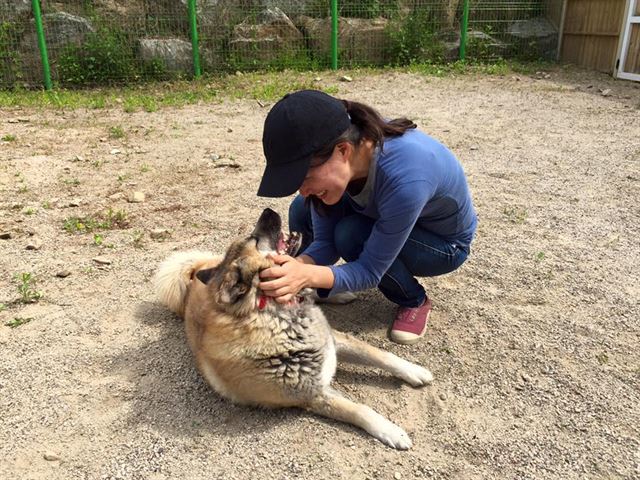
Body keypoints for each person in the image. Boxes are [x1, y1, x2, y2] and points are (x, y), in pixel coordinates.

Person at [257, 90, 477, 345]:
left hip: (442, 245)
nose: (302, 189)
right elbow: (326, 243)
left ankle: (413, 300)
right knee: (301, 207)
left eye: (305, 178)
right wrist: (294, 268)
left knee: (351, 234)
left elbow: (370, 271)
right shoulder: (347, 143)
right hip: (388, 216)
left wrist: (306, 275)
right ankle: (317, 283)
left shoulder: (406, 176)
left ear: (342, 151)